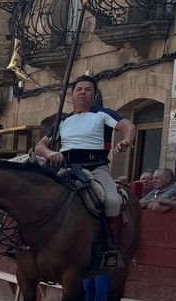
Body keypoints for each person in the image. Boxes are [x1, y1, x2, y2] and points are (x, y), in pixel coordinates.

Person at [35, 76, 134, 267]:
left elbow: (128, 125)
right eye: (79, 89)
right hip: (66, 167)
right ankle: (30, 243)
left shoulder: (102, 114)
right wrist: (50, 153)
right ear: (72, 94)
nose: (83, 92)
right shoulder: (62, 120)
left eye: (88, 89)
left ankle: (110, 247)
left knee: (112, 201)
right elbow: (40, 146)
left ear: (94, 95)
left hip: (96, 167)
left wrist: (127, 140)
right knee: (38, 196)